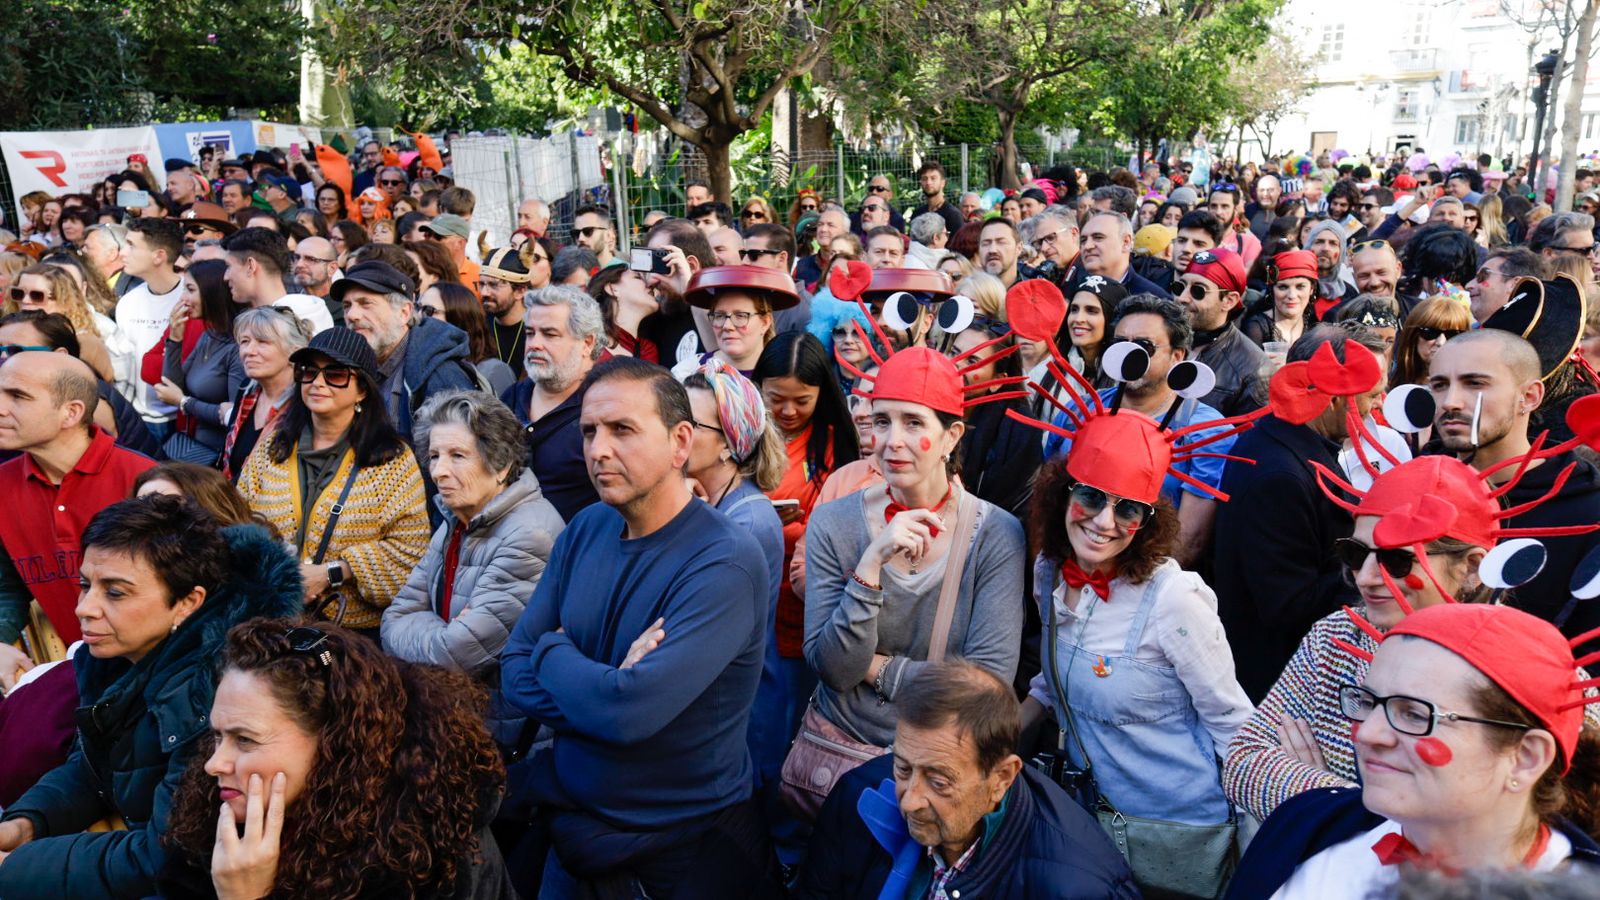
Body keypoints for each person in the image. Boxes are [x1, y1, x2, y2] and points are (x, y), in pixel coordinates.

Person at [499, 357, 778, 897]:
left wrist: (555, 654)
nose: (598, 449)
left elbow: (628, 715)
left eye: (622, 429)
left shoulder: (725, 561)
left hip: (675, 849)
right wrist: (605, 689)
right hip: (573, 827)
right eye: (588, 431)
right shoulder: (586, 527)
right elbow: (513, 670)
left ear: (680, 443)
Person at [0, 495, 302, 898]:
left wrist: (14, 869)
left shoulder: (218, 689)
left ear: (187, 602)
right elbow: (91, 767)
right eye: (85, 585)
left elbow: (166, 854)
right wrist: (28, 822)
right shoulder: (114, 654)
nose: (84, 609)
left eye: (116, 593)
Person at [799, 325, 1025, 813]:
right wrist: (870, 565)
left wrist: (877, 668)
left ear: (951, 437)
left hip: (940, 765)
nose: (891, 441)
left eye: (914, 423)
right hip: (839, 758)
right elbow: (834, 669)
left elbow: (985, 686)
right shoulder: (835, 521)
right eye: (882, 421)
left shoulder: (996, 535)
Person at [1229, 604, 1600, 897]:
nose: (1368, 734)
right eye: (1367, 702)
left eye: (1413, 714)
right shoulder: (1306, 830)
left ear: (1526, 757)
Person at [158, 618, 516, 899]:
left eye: (245, 740)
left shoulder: (428, 855)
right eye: (218, 736)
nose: (213, 763)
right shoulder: (214, 816)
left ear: (333, 742)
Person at [794, 661, 1137, 899]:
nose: (910, 801)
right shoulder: (857, 796)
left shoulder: (1078, 885)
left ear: (1002, 776)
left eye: (939, 782)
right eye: (902, 768)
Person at [381, 389, 562, 748]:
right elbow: (392, 621)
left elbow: (457, 655)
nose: (438, 471)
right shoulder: (459, 520)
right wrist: (443, 628)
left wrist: (430, 626)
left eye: (457, 456)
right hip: (456, 724)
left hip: (504, 740)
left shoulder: (530, 534)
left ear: (501, 465)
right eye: (433, 456)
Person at [1214, 329, 1385, 701]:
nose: (1379, 406)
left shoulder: (1286, 444)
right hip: (1276, 684)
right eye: (1372, 394)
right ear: (1337, 395)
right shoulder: (1281, 476)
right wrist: (1374, 563)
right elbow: (1288, 605)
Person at [235, 327, 430, 633]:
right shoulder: (274, 447)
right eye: (308, 372)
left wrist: (333, 573)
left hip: (350, 633)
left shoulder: (392, 459)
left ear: (362, 389)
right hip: (268, 623)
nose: (318, 383)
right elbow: (238, 521)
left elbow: (409, 553)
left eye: (336, 374)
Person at [1426, 328, 1600, 648]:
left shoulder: (1587, 516)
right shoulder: (1413, 488)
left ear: (1529, 396)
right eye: (1439, 385)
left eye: (1475, 384)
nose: (1450, 402)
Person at [1043, 294, 1244, 567]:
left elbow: (1187, 541)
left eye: (1143, 346)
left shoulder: (1206, 433)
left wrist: (1125, 594)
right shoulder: (1081, 409)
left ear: (1177, 356)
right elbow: (1047, 498)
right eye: (1120, 344)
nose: (1129, 355)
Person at [0, 353, 156, 688]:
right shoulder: (2, 485)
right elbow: (8, 586)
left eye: (18, 396)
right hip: (82, 676)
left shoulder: (145, 480)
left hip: (155, 676)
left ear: (71, 412)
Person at [754, 330, 860, 771]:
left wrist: (786, 526)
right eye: (776, 397)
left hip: (803, 602)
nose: (789, 411)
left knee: (792, 720)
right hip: (750, 594)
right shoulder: (742, 433)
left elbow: (843, 527)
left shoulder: (836, 443)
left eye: (803, 399)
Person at [680, 361, 788, 790]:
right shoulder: (712, 501)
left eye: (688, 424)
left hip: (739, 716)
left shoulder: (750, 522)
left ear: (728, 444)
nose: (675, 433)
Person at [332, 259, 477, 437]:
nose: (352, 315)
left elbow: (456, 454)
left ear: (404, 313)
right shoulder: (351, 363)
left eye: (365, 303)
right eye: (347, 306)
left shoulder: (439, 376)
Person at [502, 285, 606, 523]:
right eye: (530, 333)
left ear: (587, 343)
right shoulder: (511, 398)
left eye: (550, 334)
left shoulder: (605, 407)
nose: (535, 344)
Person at [0, 310, 159, 460]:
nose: (4, 358)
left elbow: (97, 470)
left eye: (15, 350)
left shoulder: (89, 402)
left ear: (59, 356)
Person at [153, 259, 245, 458]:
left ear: (212, 292)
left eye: (190, 289)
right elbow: (172, 385)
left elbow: (235, 415)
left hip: (219, 456)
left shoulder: (238, 347)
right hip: (193, 447)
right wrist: (175, 339)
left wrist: (185, 403)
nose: (183, 299)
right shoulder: (209, 336)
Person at [1176, 247, 1268, 416]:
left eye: (1198, 291)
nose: (1182, 297)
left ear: (1229, 300)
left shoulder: (1253, 369)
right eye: (1179, 286)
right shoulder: (1160, 339)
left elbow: (1248, 438)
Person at [220, 307, 309, 480]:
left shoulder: (306, 402)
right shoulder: (247, 391)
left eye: (263, 342)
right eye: (245, 341)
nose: (249, 351)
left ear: (294, 351)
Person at [6, 263, 117, 384]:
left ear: (63, 299)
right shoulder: (9, 332)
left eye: (36, 295)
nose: (25, 301)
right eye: (18, 293)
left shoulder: (83, 342)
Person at [681, 264, 799, 376]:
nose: (727, 326)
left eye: (740, 316)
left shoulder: (784, 375)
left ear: (765, 322)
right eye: (719, 316)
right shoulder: (688, 371)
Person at [218, 227, 335, 335]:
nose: (225, 277)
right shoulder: (250, 322)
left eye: (229, 266)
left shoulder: (303, 319)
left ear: (250, 266)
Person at [426, 281, 516, 397]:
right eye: (417, 307)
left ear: (457, 319)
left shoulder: (493, 371)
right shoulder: (423, 364)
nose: (418, 316)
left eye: (428, 310)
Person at [1077, 211, 1172, 299]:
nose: (1087, 246)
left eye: (1098, 237)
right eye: (1083, 240)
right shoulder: (1073, 289)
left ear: (1126, 242)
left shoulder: (1155, 299)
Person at [1389, 295, 1470, 394]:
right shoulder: (1390, 386)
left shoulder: (1473, 391)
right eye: (1431, 333)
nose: (1441, 342)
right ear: (1413, 336)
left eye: (1452, 334)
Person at [1243, 249, 1318, 349]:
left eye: (1300, 287)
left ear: (1311, 289)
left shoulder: (1314, 327)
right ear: (1272, 290)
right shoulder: (1255, 328)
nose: (1292, 295)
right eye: (1283, 287)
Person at [588, 264, 661, 362]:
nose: (650, 284)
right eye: (638, 277)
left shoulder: (648, 350)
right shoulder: (587, 345)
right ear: (612, 289)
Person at [480, 246, 533, 381]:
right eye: (482, 284)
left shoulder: (537, 331)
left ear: (520, 291)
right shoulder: (478, 327)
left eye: (494, 285)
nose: (484, 292)